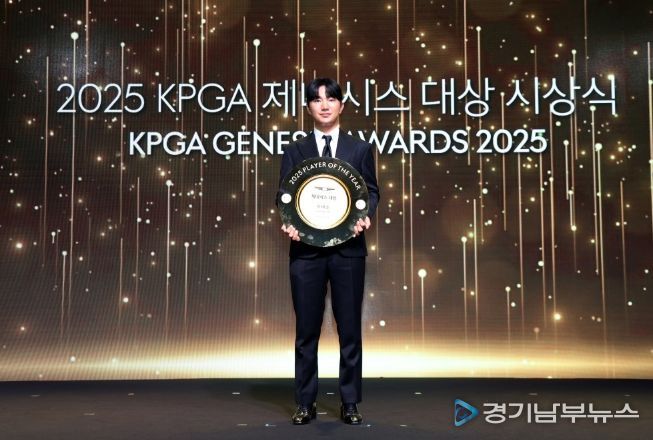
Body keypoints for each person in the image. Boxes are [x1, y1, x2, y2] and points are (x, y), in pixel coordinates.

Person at [276, 78, 380, 425]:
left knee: (349, 330)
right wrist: (289, 221)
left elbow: (371, 191)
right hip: (305, 253)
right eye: (316, 99)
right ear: (308, 107)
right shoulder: (295, 150)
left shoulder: (359, 148)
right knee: (306, 332)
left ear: (341, 106)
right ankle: (305, 402)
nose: (324, 105)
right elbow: (284, 194)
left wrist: (365, 215)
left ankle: (350, 402)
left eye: (331, 99)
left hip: (348, 251)